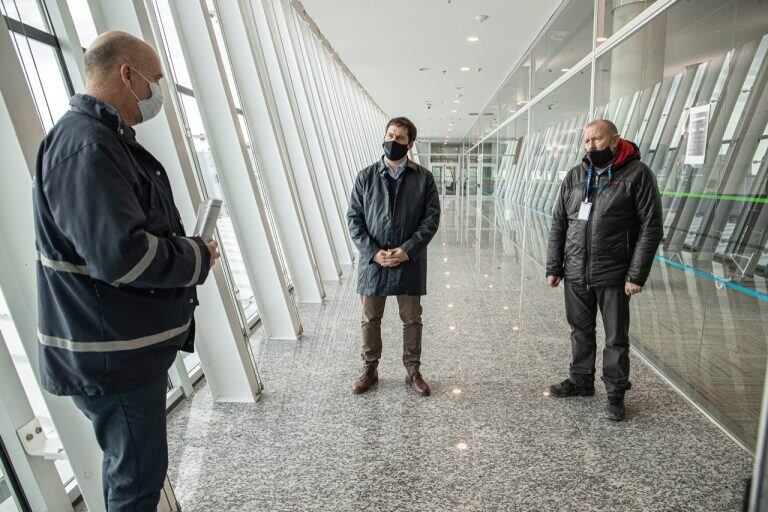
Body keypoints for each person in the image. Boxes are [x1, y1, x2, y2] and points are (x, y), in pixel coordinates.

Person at [33, 31, 219, 511]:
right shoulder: (87, 147)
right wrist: (195, 257)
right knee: (137, 480)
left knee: (128, 472)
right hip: (112, 357)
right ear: (126, 74)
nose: (157, 92)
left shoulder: (102, 141)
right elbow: (124, 256)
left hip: (119, 350)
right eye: (154, 79)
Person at [545, 119, 663, 421]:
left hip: (613, 272)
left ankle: (615, 393)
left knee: (615, 338)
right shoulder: (575, 175)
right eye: (586, 141)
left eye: (596, 140)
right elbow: (559, 222)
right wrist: (554, 266)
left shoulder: (638, 175)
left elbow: (651, 227)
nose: (590, 146)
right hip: (575, 270)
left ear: (614, 140)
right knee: (580, 331)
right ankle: (581, 380)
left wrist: (636, 275)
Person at [347, 117, 441, 396]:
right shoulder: (365, 177)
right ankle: (370, 368)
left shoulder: (424, 178)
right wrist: (374, 253)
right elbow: (354, 219)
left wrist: (405, 251)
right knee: (369, 319)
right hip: (373, 262)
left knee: (412, 319)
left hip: (408, 261)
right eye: (390, 135)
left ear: (410, 144)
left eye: (400, 138)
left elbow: (431, 220)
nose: (393, 141)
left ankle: (413, 371)